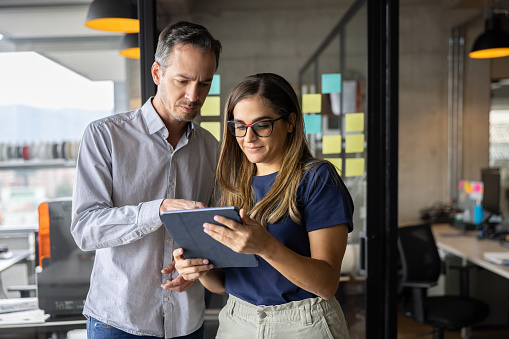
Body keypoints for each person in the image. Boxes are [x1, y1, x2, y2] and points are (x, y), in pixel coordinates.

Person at [168, 73, 354, 338]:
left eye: (262, 125)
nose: (249, 137)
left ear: (290, 122)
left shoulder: (317, 178)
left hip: (303, 324)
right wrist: (198, 269)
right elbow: (224, 283)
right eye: (239, 126)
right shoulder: (233, 184)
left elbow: (326, 285)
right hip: (237, 321)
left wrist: (266, 246)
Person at [71, 21, 222, 339]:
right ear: (157, 73)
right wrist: (158, 209)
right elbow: (85, 229)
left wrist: (197, 268)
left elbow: (213, 230)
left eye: (204, 84)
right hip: (119, 321)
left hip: (186, 321)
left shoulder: (212, 148)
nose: (193, 96)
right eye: (182, 80)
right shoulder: (105, 136)